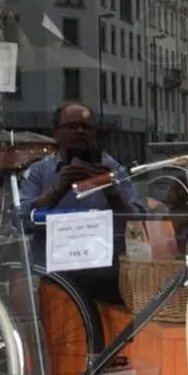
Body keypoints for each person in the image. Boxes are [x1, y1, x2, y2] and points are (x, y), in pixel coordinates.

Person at [18, 101, 145, 305]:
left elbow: (137, 222)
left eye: (86, 127)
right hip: (57, 280)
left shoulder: (113, 169)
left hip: (107, 279)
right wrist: (59, 189)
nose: (80, 131)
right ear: (56, 133)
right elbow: (21, 221)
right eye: (72, 126)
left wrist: (113, 195)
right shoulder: (39, 172)